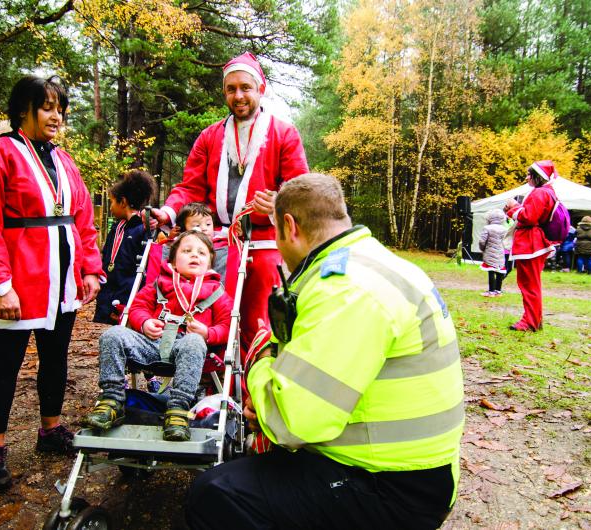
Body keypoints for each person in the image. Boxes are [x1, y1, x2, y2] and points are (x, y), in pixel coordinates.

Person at [187, 173, 463, 530]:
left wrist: (259, 365)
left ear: (290, 226)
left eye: (275, 233)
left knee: (214, 495)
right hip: (416, 470)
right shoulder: (378, 264)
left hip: (391, 487)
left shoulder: (344, 291)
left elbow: (292, 423)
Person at [0, 75, 103, 491]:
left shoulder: (65, 161)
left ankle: (50, 429)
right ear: (24, 109)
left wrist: (90, 269)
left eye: (61, 109)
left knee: (56, 358)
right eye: (47, 108)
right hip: (19, 283)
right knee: (4, 364)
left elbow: (83, 219)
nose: (56, 116)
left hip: (62, 282)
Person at [151, 52, 308, 351]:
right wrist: (168, 212)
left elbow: (301, 191)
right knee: (208, 317)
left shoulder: (284, 134)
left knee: (258, 323)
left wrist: (279, 203)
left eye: (245, 88)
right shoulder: (210, 137)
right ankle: (210, 377)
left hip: (264, 244)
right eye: (231, 89)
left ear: (261, 89)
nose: (238, 96)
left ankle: (255, 377)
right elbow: (190, 187)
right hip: (216, 243)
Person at [83, 230, 232, 441]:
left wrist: (208, 333)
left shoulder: (217, 291)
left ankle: (178, 409)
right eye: (187, 251)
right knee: (113, 334)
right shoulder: (159, 284)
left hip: (189, 350)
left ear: (209, 264)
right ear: (172, 261)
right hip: (151, 343)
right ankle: (112, 400)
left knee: (194, 341)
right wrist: (144, 323)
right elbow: (137, 308)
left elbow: (228, 326)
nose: (194, 255)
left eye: (201, 253)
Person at [92, 170, 156, 325]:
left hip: (130, 292)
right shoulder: (117, 227)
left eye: (112, 202)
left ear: (123, 202)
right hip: (110, 290)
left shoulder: (144, 228)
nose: (111, 207)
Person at [503, 160, 559, 332]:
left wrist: (513, 207)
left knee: (529, 285)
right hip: (533, 243)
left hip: (531, 244)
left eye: (529, 174)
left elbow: (528, 217)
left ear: (538, 176)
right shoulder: (547, 192)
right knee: (531, 284)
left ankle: (530, 322)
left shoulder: (540, 193)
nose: (527, 177)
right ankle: (534, 319)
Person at [478, 208, 507, 296]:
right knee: (500, 271)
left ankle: (491, 291)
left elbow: (482, 241)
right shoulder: (504, 229)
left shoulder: (487, 228)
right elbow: (505, 241)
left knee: (491, 271)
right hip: (500, 253)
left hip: (489, 252)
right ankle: (498, 291)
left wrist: (482, 249)